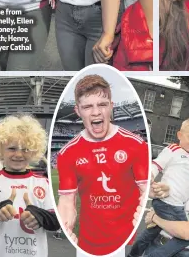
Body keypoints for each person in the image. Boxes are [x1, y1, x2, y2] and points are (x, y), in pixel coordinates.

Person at [56, 74, 149, 255]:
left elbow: (145, 188)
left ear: (111, 107)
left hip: (125, 242)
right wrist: (66, 225)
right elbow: (67, 200)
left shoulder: (136, 145)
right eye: (88, 106)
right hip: (87, 244)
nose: (96, 112)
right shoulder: (67, 153)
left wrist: (143, 205)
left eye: (102, 105)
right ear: (78, 110)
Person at [0, 114, 60, 256]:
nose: (18, 154)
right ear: (0, 149)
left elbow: (55, 222)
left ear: (34, 151)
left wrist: (39, 216)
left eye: (25, 149)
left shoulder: (42, 182)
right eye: (12, 148)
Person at [129, 118, 189, 257]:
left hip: (174, 204)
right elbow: (156, 164)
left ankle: (134, 254)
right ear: (179, 135)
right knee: (186, 237)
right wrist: (150, 176)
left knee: (152, 231)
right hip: (170, 204)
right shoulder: (173, 150)